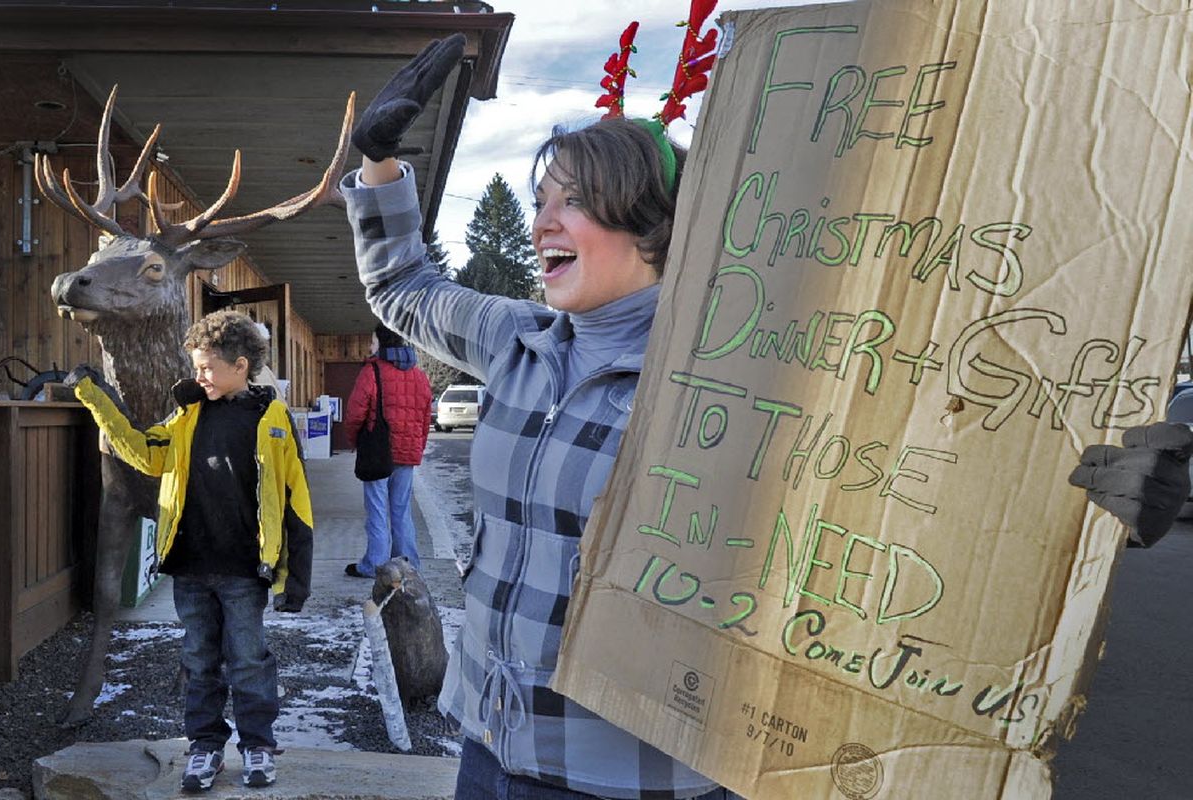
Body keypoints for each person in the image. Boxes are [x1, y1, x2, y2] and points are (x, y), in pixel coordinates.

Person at [341, 34, 1193, 800]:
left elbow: (927, 484)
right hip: (486, 747)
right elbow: (404, 288)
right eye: (541, 201)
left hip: (631, 775)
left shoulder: (741, 369)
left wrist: (1093, 502)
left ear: (650, 227)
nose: (542, 222)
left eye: (574, 201)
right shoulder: (519, 337)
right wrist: (381, 163)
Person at [65, 309, 313, 792]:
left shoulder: (273, 418)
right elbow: (144, 453)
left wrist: (295, 576)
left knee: (248, 660)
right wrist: (96, 400)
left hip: (245, 572)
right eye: (196, 366)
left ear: (240, 366)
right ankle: (204, 749)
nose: (197, 375)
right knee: (198, 660)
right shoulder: (186, 413)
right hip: (191, 569)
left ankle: (258, 746)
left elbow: (296, 500)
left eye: (206, 366)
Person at [342, 322, 433, 576]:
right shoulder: (419, 375)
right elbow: (426, 417)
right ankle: (407, 564)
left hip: (378, 453)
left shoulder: (372, 371)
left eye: (372, 341)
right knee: (401, 510)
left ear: (381, 342)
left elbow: (355, 413)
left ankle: (376, 565)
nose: (370, 346)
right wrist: (418, 446)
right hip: (407, 454)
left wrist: (355, 441)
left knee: (377, 511)